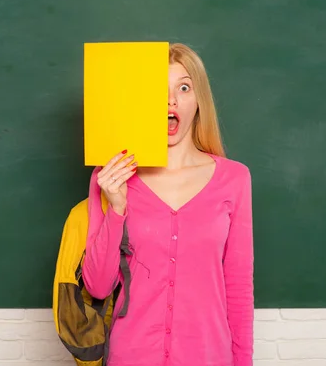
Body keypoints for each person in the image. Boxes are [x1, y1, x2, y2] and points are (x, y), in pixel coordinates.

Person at [81, 43, 254, 366]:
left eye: (184, 87)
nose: (171, 100)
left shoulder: (235, 179)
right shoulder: (110, 177)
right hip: (131, 356)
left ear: (199, 99)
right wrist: (116, 207)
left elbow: (239, 289)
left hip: (208, 356)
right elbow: (98, 286)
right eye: (158, 90)